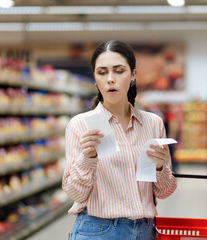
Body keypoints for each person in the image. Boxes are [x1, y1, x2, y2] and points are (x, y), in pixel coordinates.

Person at [62, 40, 177, 240]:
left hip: (144, 231)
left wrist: (159, 167)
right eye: (102, 72)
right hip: (97, 231)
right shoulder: (81, 125)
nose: (110, 79)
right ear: (95, 77)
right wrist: (87, 158)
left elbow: (165, 191)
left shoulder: (153, 124)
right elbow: (76, 194)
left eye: (119, 71)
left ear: (133, 75)